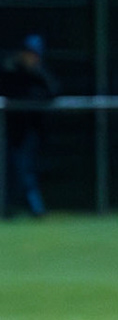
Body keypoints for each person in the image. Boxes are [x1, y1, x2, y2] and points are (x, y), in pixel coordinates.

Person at [1, 34, 57, 219]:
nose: (30, 57)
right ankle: (27, 208)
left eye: (34, 54)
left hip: (33, 131)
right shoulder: (10, 69)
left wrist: (36, 72)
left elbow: (53, 91)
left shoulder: (40, 73)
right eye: (28, 52)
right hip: (12, 129)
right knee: (16, 169)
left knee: (26, 169)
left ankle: (26, 208)